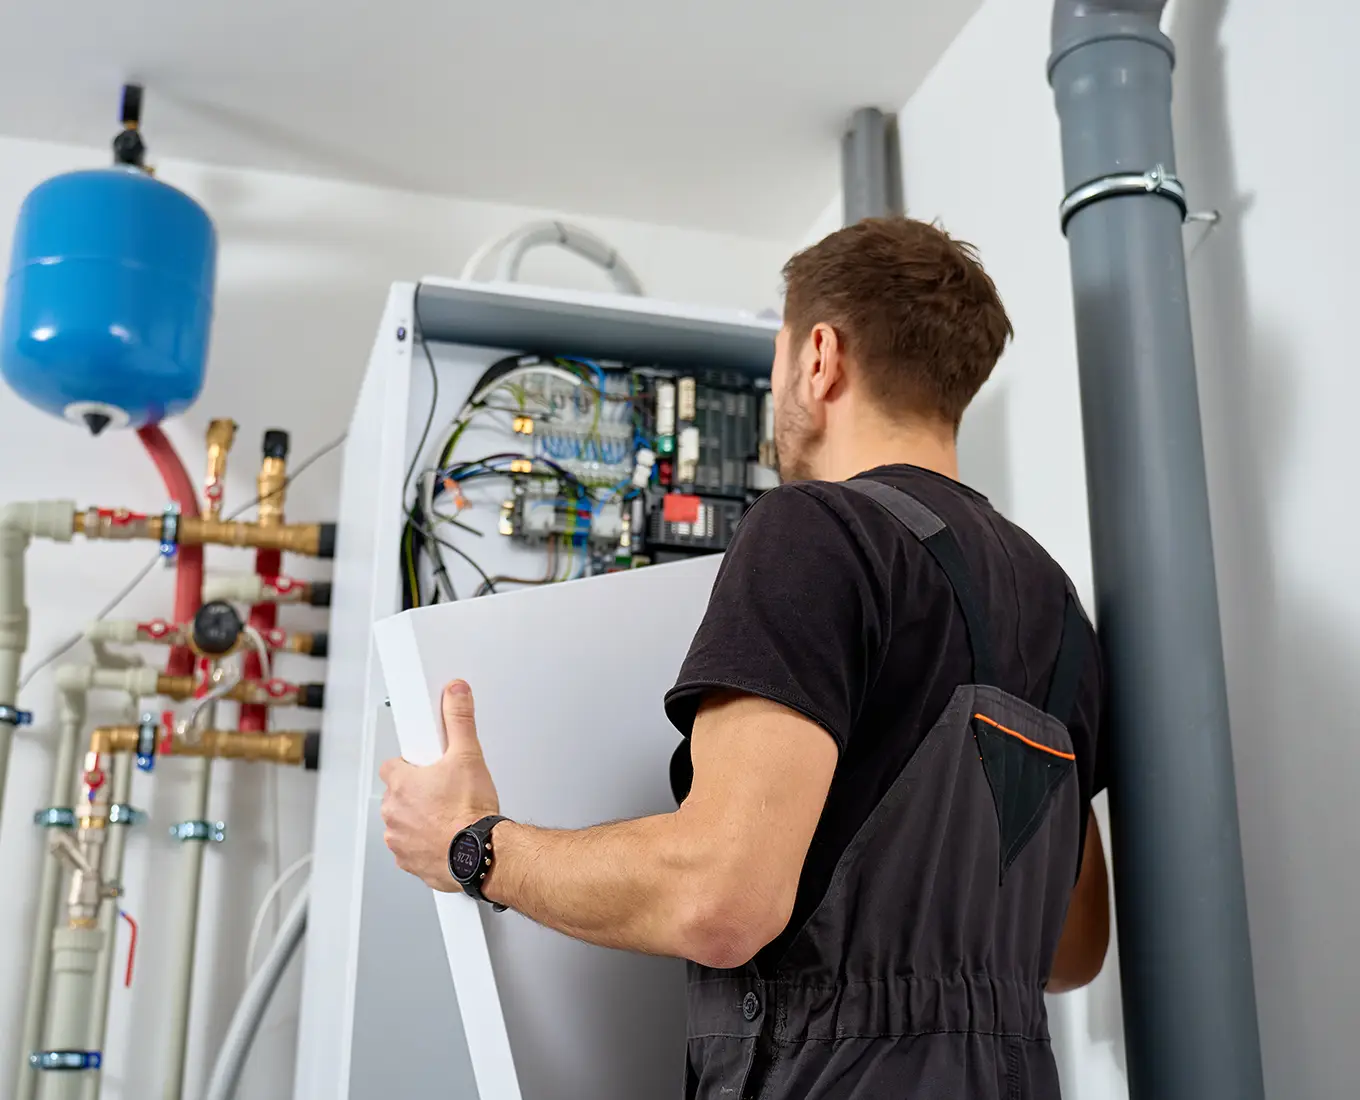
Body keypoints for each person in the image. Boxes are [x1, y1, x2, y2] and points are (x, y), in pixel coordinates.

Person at [380, 216, 1110, 1100]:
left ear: (820, 358)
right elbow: (1072, 949)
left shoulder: (819, 529)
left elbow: (721, 900)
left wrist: (471, 846)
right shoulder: (1059, 608)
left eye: (778, 361)